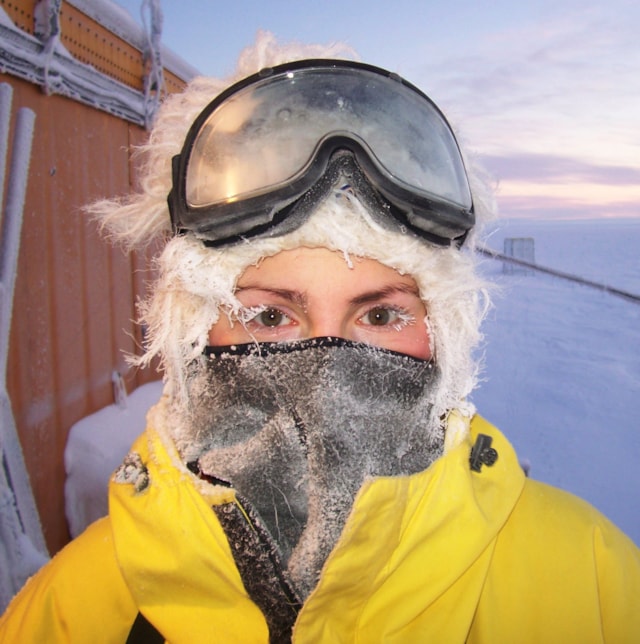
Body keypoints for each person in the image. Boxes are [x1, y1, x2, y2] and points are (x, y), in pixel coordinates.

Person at [2, 37, 639, 643]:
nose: (328, 370)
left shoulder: (596, 579)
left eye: (382, 316)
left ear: (442, 337)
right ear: (194, 338)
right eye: (270, 318)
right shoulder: (75, 608)